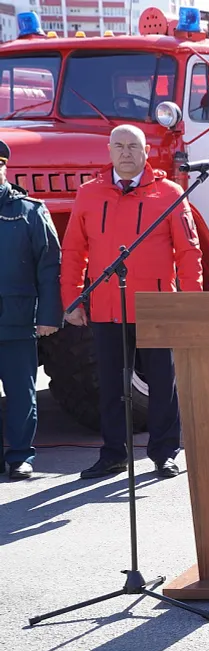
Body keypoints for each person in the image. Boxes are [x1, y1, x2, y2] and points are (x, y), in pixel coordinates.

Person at [61, 124, 203, 480]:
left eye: (133, 146)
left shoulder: (169, 193)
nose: (126, 152)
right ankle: (112, 454)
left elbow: (188, 252)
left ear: (145, 152)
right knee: (110, 385)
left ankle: (164, 452)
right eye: (119, 146)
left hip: (156, 304)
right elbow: (74, 251)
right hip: (107, 305)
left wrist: (191, 302)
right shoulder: (88, 195)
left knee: (161, 383)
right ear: (109, 151)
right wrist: (72, 299)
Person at [0, 140, 62, 481]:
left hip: (17, 319)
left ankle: (20, 456)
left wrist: (49, 316)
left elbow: (49, 266)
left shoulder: (30, 211)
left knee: (21, 392)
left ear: (4, 168)